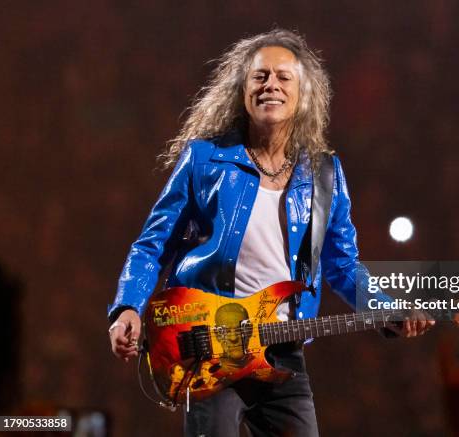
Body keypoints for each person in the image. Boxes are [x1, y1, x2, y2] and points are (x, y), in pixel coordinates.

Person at [108, 29, 434, 437]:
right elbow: (152, 243)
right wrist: (128, 306)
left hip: (282, 351)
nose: (271, 86)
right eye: (260, 76)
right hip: (210, 346)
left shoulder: (324, 175)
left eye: (284, 77)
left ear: (303, 94)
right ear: (242, 90)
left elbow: (342, 266)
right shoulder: (204, 159)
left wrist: (386, 307)